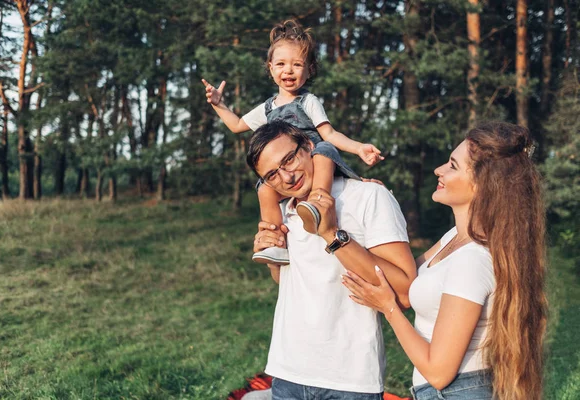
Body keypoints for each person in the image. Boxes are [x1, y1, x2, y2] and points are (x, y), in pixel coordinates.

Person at [342, 122, 547, 400]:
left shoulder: (473, 260)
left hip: (455, 391)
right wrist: (371, 205)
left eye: (452, 165)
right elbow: (403, 279)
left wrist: (389, 309)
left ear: (481, 185)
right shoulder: (455, 238)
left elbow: (438, 372)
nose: (439, 170)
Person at [249, 120, 417, 400]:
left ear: (310, 147)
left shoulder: (368, 197)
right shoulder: (284, 212)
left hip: (350, 379)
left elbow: (405, 292)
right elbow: (287, 281)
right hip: (288, 371)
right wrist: (272, 259)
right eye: (273, 175)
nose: (287, 178)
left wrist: (331, 234)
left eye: (289, 160)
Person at [203, 19, 383, 265]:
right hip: (288, 170)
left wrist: (358, 147)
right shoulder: (267, 107)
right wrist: (218, 104)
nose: (288, 70)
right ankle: (275, 238)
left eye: (297, 64)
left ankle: (318, 205)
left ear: (308, 70)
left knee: (323, 149)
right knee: (264, 186)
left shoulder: (308, 102)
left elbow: (329, 134)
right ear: (271, 68)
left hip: (314, 161)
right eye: (281, 64)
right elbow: (236, 126)